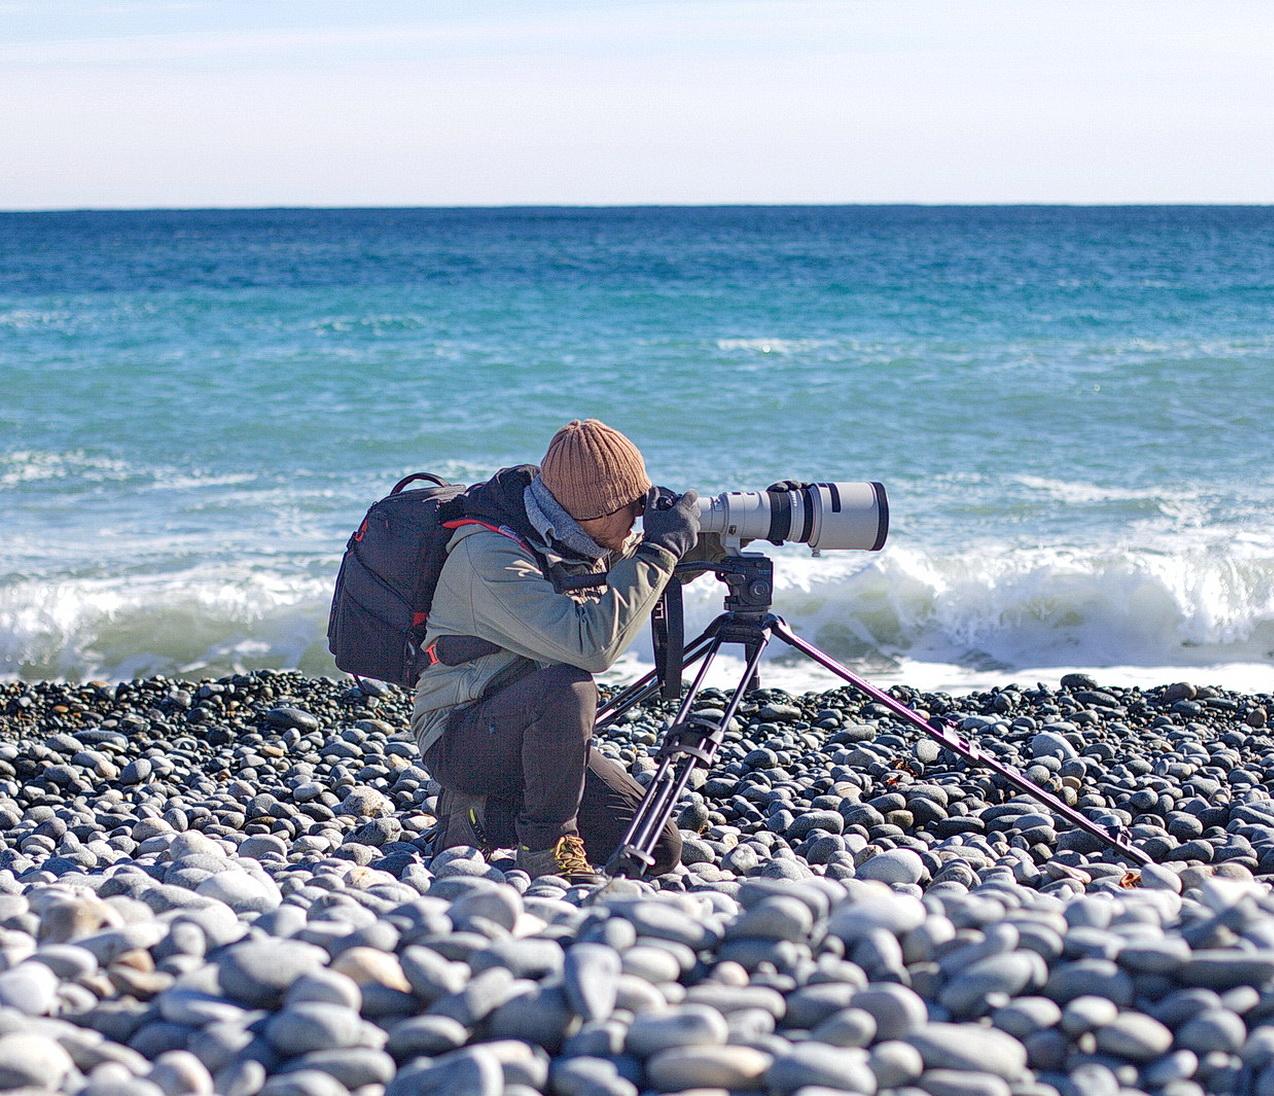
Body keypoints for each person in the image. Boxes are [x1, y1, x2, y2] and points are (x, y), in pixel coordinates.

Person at [411, 419, 705, 884]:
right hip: (461, 733)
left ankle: (481, 815)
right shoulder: (491, 556)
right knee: (570, 686)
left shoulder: (575, 537)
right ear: (591, 512)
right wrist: (659, 552)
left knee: (657, 849)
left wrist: (729, 534)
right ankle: (545, 845)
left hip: (534, 730)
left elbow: (637, 585)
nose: (639, 516)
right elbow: (591, 646)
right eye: (632, 506)